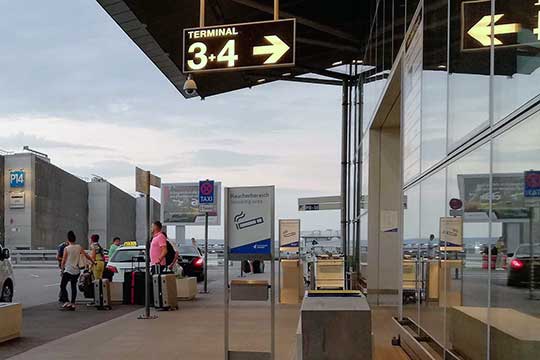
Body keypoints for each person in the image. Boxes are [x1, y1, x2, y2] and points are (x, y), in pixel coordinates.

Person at [60, 231, 94, 310]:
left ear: (68, 239)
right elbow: (86, 256)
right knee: (73, 286)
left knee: (62, 286)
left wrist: (62, 270)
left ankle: (66, 302)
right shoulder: (79, 247)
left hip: (68, 270)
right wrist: (93, 262)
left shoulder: (67, 248)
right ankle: (73, 303)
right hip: (76, 271)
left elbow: (63, 260)